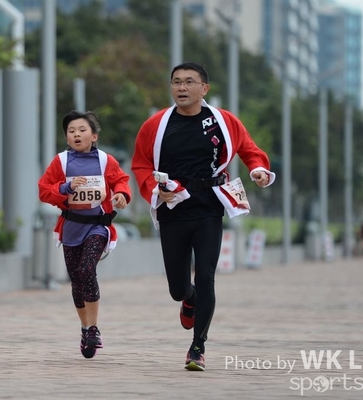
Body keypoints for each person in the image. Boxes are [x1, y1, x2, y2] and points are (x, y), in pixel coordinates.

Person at [131, 62, 275, 371]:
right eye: (176, 82)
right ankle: (188, 298)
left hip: (209, 205)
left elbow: (248, 149)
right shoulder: (156, 125)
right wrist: (157, 192)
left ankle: (198, 347)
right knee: (177, 288)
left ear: (204, 88)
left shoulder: (222, 122)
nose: (181, 88)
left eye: (189, 82)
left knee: (206, 274)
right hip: (173, 206)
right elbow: (141, 163)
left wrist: (258, 169)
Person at [38, 110, 131, 359]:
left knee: (86, 270)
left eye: (82, 130)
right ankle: (85, 328)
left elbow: (121, 180)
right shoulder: (60, 162)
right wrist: (66, 187)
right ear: (66, 137)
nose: (77, 134)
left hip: (98, 227)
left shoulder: (104, 161)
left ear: (94, 135)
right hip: (71, 228)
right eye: (71, 131)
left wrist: (121, 194)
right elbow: (44, 191)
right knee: (76, 280)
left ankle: (94, 329)